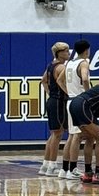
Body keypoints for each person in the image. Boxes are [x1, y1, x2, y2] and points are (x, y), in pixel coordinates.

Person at [58, 39, 91, 179]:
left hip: (70, 100)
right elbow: (85, 78)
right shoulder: (84, 62)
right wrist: (88, 94)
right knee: (77, 136)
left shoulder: (69, 63)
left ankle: (64, 169)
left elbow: (60, 80)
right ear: (86, 50)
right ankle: (72, 170)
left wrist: (69, 92)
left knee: (72, 136)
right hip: (79, 101)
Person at [39, 40, 70, 175]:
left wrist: (50, 93)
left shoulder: (51, 65)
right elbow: (59, 82)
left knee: (54, 134)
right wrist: (68, 94)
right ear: (59, 53)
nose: (68, 53)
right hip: (59, 102)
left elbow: (43, 81)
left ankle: (45, 165)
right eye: (66, 51)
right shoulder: (61, 67)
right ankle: (52, 166)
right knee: (57, 134)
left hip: (52, 100)